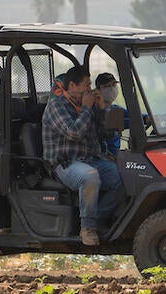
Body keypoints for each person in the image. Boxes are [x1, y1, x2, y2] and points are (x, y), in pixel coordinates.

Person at [42, 66, 121, 246]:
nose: (89, 89)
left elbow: (104, 135)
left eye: (89, 84)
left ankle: (98, 217)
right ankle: (88, 228)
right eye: (86, 85)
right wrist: (87, 108)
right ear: (73, 85)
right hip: (65, 163)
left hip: (90, 158)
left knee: (122, 177)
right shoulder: (56, 105)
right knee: (89, 177)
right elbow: (74, 132)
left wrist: (100, 110)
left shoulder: (88, 106)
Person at [95, 72, 126, 156]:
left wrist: (150, 118)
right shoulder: (96, 110)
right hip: (104, 156)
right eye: (107, 86)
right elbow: (126, 121)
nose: (112, 89)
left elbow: (134, 115)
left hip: (117, 156)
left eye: (114, 85)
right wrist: (142, 120)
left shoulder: (115, 108)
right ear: (98, 90)